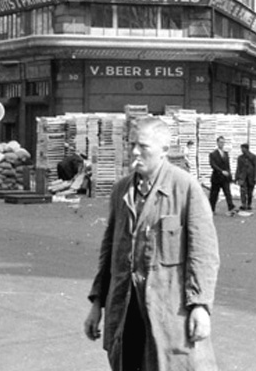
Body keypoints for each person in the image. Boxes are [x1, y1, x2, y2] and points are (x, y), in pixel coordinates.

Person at [83, 117, 220, 371]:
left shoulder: (185, 189)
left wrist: (200, 306)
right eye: (132, 144)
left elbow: (204, 254)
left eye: (143, 146)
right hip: (126, 311)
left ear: (164, 150)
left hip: (168, 311)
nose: (135, 151)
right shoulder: (121, 191)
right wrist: (96, 304)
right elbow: (109, 252)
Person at [209, 136, 236, 215]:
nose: (222, 144)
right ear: (217, 143)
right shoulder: (213, 154)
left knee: (228, 193)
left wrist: (230, 176)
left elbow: (228, 166)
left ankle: (231, 207)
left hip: (225, 178)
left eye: (223, 142)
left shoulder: (226, 154)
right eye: (220, 142)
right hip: (216, 177)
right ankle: (211, 209)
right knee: (214, 194)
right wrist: (221, 171)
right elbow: (213, 165)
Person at [235, 143, 256, 211]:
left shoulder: (253, 157)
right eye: (241, 149)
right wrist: (236, 178)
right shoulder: (240, 158)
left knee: (250, 192)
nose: (242, 150)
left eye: (243, 148)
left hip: (251, 177)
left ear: (247, 149)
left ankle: (249, 204)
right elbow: (238, 168)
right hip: (242, 177)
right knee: (242, 191)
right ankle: (243, 204)